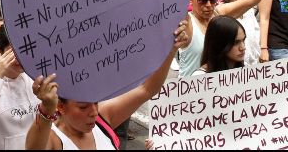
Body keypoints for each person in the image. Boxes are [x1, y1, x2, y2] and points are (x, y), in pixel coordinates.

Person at [25, 20, 190, 150]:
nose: (93, 112)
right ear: (60, 106)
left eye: (95, 102)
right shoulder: (55, 139)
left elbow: (147, 89)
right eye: (83, 107)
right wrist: (46, 109)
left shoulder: (102, 119)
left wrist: (171, 49)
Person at [177, 0, 259, 76]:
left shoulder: (218, 14)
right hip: (192, 84)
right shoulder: (187, 22)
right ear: (191, 0)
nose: (208, 4)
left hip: (218, 83)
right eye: (202, 0)